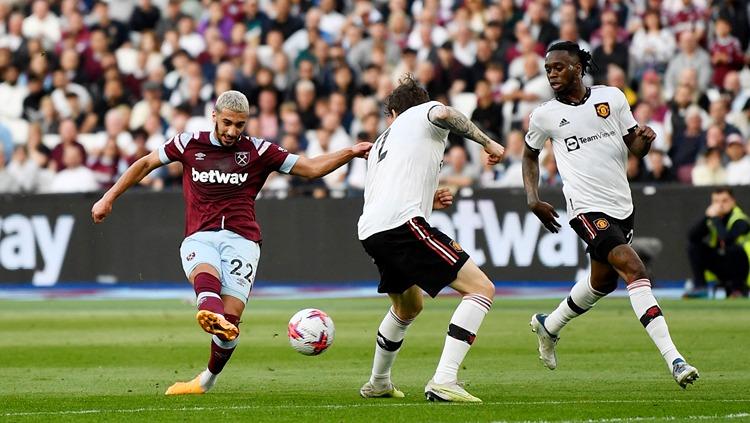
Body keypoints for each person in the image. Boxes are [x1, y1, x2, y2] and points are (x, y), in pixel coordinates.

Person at [91, 91, 372, 395]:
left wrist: (351, 152)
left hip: (243, 241)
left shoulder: (259, 150)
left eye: (239, 125)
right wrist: (109, 197)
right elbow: (145, 164)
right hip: (201, 235)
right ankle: (209, 309)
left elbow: (312, 168)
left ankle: (205, 381)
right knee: (206, 278)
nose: (232, 131)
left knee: (230, 325)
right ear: (214, 116)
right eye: (227, 123)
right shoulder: (188, 143)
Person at [522, 41, 699, 388]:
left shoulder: (612, 98)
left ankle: (549, 325)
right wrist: (533, 198)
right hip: (585, 209)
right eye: (548, 69)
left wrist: (646, 140)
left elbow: (635, 146)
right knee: (634, 268)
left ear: (579, 66)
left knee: (603, 281)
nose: (552, 74)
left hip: (622, 205)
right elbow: (529, 155)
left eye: (559, 67)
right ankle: (675, 359)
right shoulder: (544, 115)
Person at [357, 75, 504, 402]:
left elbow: (387, 190)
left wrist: (427, 199)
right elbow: (444, 114)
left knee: (408, 306)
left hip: (371, 230)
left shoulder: (383, 140)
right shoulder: (423, 114)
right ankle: (445, 379)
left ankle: (379, 382)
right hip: (401, 224)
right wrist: (488, 143)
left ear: (391, 113)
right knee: (481, 289)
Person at [685, 187, 750, 298]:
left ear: (733, 201)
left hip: (743, 269)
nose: (720, 205)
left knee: (734, 248)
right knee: (694, 246)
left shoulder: (741, 220)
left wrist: (714, 218)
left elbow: (727, 240)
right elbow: (692, 237)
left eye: (724, 201)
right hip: (722, 265)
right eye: (716, 201)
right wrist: (706, 217)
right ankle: (700, 287)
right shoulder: (713, 219)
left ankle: (738, 289)